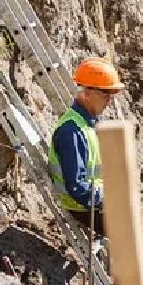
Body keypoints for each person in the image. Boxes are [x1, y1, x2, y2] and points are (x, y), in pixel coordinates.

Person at [46, 56, 126, 235]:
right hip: (82, 207)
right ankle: (125, 263)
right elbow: (76, 187)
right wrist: (107, 200)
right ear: (87, 93)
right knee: (138, 231)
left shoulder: (88, 124)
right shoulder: (71, 131)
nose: (109, 100)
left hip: (94, 202)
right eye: (105, 94)